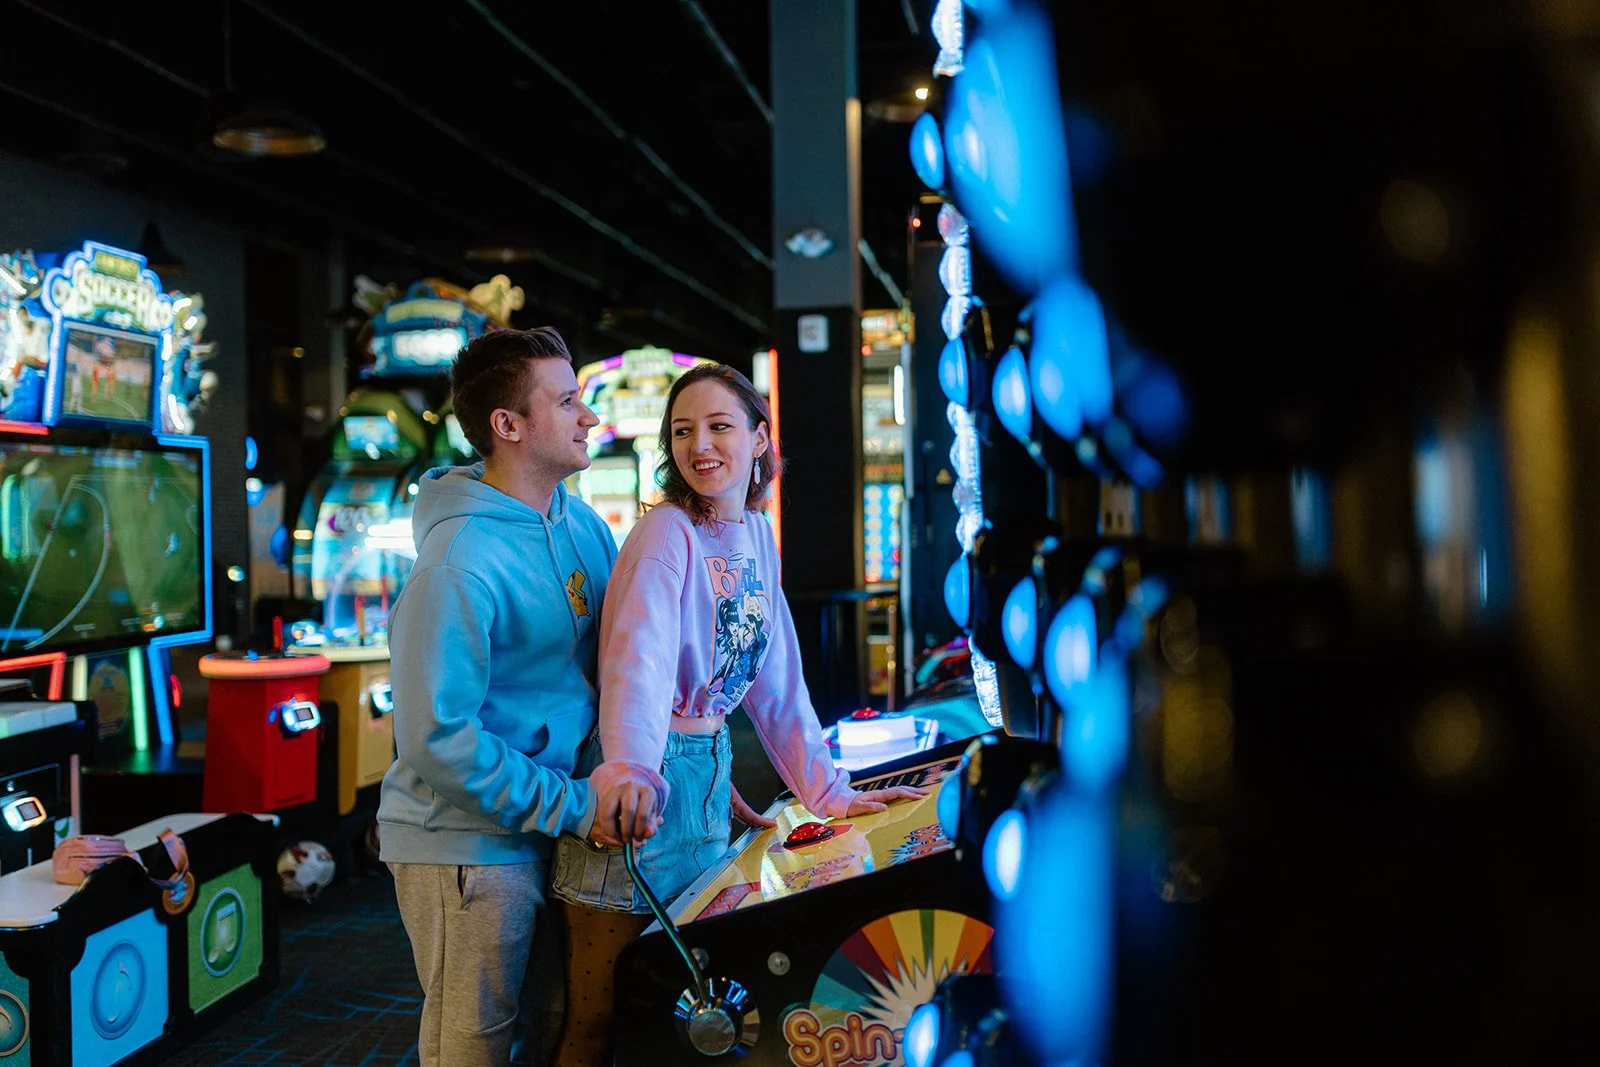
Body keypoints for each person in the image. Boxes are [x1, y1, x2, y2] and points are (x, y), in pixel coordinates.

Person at [549, 363, 927, 1066]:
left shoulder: (754, 532)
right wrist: (630, 768)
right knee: (598, 1014)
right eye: (684, 431)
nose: (700, 445)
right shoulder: (667, 531)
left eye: (720, 426)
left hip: (705, 775)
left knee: (684, 1006)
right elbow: (636, 661)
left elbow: (777, 682)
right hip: (640, 774)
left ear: (759, 438)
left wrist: (830, 791)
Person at [377, 326, 661, 1067]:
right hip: (464, 842)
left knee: (554, 1025)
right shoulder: (458, 560)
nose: (588, 416)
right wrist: (573, 805)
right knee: (472, 1043)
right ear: (509, 426)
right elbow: (436, 738)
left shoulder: (583, 523)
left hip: (554, 823)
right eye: (567, 401)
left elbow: (617, 668)